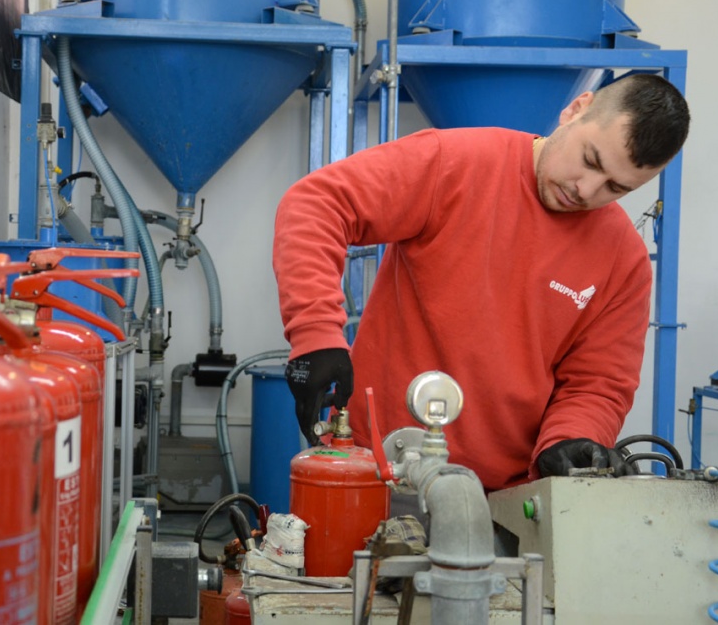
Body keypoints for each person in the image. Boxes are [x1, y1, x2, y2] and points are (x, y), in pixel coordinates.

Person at [272, 73, 690, 491]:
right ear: (575, 110)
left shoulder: (624, 261)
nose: (586, 190)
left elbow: (597, 384)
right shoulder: (454, 162)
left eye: (616, 187)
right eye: (591, 160)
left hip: (501, 499)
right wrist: (316, 334)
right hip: (374, 468)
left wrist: (569, 440)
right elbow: (318, 205)